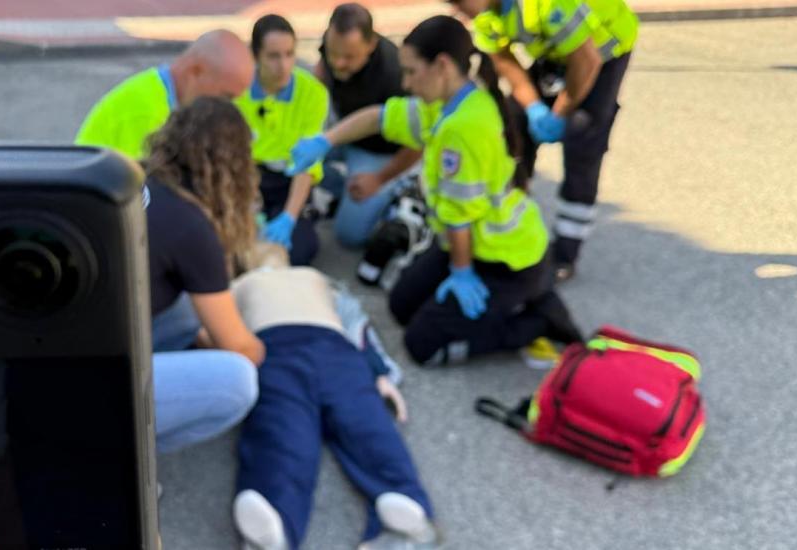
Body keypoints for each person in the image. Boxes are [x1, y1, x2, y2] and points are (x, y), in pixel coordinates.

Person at [287, 16, 581, 367]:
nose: (406, 83)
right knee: (401, 306)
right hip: (468, 241)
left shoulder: (463, 127)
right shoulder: (450, 100)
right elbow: (381, 117)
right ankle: (505, 300)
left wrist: (461, 271)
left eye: (411, 72)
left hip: (504, 259)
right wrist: (324, 141)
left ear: (441, 65)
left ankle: (537, 319)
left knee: (422, 346)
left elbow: (459, 217)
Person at [230, 244, 439, 550]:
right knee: (346, 428)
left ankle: (278, 517)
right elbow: (358, 326)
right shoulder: (308, 280)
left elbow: (357, 323)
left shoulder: (256, 284)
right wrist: (378, 371)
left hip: (293, 349)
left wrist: (380, 372)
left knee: (302, 431)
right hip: (316, 350)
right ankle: (404, 504)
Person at [446, 0, 638, 281]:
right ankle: (512, 228)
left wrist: (560, 113)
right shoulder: (487, 14)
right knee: (514, 125)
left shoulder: (546, 4)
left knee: (582, 139)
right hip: (559, 52)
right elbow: (503, 60)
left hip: (603, 52)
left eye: (460, 2)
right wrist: (533, 107)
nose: (459, 10)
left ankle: (564, 255)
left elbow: (586, 60)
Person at [143, 97, 266, 453]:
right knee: (239, 382)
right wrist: (266, 346)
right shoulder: (191, 226)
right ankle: (119, 459)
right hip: (83, 384)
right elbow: (242, 350)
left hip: (58, 351)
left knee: (189, 311)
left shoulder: (141, 178)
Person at [315, 3, 423, 248]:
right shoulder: (335, 43)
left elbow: (419, 142)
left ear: (371, 44)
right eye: (333, 54)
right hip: (344, 132)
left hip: (381, 151)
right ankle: (344, 187)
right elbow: (321, 69)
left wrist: (379, 179)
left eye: (349, 57)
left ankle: (398, 188)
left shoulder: (396, 75)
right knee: (289, 153)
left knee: (349, 235)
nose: (338, 63)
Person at [235, 15, 329, 266]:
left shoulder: (313, 93)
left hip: (290, 178)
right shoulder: (237, 89)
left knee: (300, 249)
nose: (284, 65)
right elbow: (229, 155)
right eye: (273, 56)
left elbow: (307, 162)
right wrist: (247, 207)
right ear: (255, 55)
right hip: (246, 178)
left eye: (289, 54)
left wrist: (289, 217)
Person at [74, 29, 255, 160]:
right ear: (195, 71)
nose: (229, 108)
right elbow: (144, 192)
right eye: (226, 97)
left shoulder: (165, 96)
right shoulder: (146, 112)